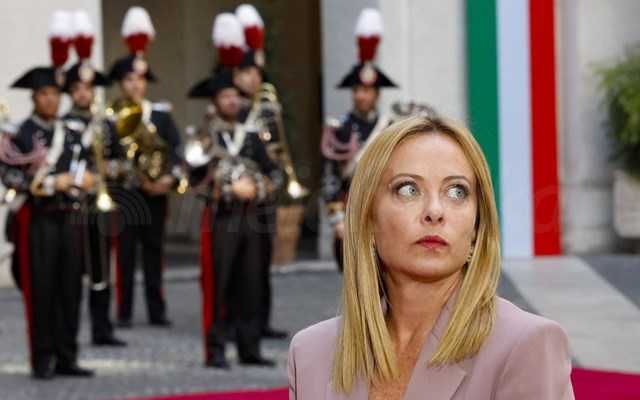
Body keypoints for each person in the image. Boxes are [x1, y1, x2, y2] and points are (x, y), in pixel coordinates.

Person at [288, 116, 575, 399]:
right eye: (408, 189)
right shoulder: (311, 354)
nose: (435, 211)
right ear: (368, 219)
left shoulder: (525, 346)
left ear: (477, 228)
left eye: (457, 191)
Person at [186, 12, 278, 369]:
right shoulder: (203, 134)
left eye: (235, 96)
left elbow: (273, 174)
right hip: (221, 217)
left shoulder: (252, 135)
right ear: (215, 100)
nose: (231, 101)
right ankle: (215, 349)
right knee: (218, 284)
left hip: (252, 217)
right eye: (224, 95)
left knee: (250, 283)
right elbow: (193, 179)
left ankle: (249, 348)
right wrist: (228, 187)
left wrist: (256, 187)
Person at [9, 10, 95, 379]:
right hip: (39, 220)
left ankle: (67, 355)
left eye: (56, 94)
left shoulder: (72, 131)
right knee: (41, 289)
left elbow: (87, 165)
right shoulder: (20, 133)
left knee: (70, 289)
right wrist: (49, 184)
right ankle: (42, 358)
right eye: (45, 94)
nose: (51, 100)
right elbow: (10, 175)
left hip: (70, 218)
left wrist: (88, 178)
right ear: (34, 97)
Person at [108, 6, 182, 328]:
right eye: (129, 79)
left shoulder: (161, 115)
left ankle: (157, 309)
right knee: (124, 254)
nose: (135, 85)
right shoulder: (112, 118)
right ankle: (123, 311)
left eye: (140, 79)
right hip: (126, 196)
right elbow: (106, 157)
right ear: (120, 83)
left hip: (156, 194)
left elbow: (176, 152)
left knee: (155, 252)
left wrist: (168, 179)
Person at [63, 10, 126, 347]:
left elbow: (121, 163)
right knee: (72, 271)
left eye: (88, 88)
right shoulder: (64, 126)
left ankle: (103, 328)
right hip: (71, 206)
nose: (84, 93)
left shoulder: (106, 124)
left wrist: (106, 172)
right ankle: (70, 334)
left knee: (103, 270)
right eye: (77, 88)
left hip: (101, 204)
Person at [321, 8, 397, 271]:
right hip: (351, 211)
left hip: (385, 213)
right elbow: (330, 178)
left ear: (377, 94)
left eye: (367, 90)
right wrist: (337, 219)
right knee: (354, 278)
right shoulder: (339, 129)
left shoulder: (390, 128)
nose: (361, 95)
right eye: (357, 90)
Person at [234, 3, 288, 340]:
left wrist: (277, 172)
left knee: (263, 260)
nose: (254, 79)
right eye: (247, 73)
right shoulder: (233, 110)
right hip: (241, 193)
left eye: (257, 73)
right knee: (240, 264)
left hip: (266, 191)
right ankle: (238, 321)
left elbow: (279, 149)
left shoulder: (268, 107)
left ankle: (261, 320)